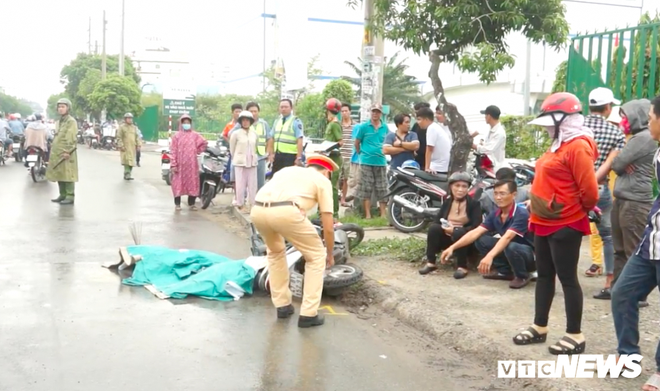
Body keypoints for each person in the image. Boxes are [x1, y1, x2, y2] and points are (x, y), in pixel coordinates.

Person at [513, 92, 599, 355]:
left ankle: (575, 334)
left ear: (565, 119)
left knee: (567, 278)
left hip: (565, 223)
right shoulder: (558, 144)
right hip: (542, 219)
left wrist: (571, 209)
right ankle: (540, 326)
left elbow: (591, 193)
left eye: (552, 121)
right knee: (545, 276)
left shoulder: (578, 146)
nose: (548, 127)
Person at [250, 154, 339, 328]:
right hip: (286, 212)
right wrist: (329, 253)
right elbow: (328, 227)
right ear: (327, 172)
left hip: (258, 210)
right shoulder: (323, 181)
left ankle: (282, 306)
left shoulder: (288, 170)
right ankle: (308, 314)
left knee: (275, 253)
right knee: (315, 256)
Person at [611, 94, 660, 391]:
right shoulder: (656, 152)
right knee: (622, 294)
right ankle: (628, 355)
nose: (649, 123)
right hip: (651, 243)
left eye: (652, 118)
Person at [441, 180, 536, 288]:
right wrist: (452, 248)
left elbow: (507, 237)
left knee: (511, 245)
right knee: (481, 240)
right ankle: (505, 271)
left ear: (513, 195)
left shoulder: (521, 213)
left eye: (502, 193)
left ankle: (522, 275)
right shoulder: (495, 214)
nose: (498, 197)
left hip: (529, 256)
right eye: (496, 193)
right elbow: (476, 232)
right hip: (509, 249)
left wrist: (489, 256)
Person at [608, 99, 655, 306]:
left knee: (632, 250)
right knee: (620, 250)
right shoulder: (636, 138)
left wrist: (620, 160)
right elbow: (619, 164)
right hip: (624, 199)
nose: (623, 121)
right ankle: (617, 291)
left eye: (626, 116)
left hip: (634, 202)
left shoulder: (643, 138)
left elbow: (617, 164)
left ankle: (636, 296)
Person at [579, 88, 621, 297]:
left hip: (574, 188)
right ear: (607, 108)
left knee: (569, 230)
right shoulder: (616, 132)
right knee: (607, 235)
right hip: (600, 189)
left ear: (589, 106)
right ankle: (610, 281)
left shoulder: (576, 127)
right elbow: (618, 160)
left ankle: (560, 276)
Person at [419, 172, 482, 278]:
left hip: (465, 240)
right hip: (447, 237)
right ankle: (431, 262)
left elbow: (476, 226)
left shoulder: (474, 204)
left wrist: (456, 230)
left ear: (468, 188)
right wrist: (445, 228)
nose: (460, 189)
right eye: (457, 186)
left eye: (464, 186)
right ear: (451, 187)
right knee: (434, 228)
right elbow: (437, 220)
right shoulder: (448, 202)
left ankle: (462, 266)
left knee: (459, 232)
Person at [354, 104, 389, 219]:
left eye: (377, 112)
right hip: (366, 161)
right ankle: (368, 214)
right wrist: (361, 154)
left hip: (381, 161)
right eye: (373, 111)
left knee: (382, 187)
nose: (375, 114)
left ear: (381, 114)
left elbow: (388, 142)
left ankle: (383, 213)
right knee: (366, 188)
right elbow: (357, 142)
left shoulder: (385, 127)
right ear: (370, 112)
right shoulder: (364, 126)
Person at [230, 102, 272, 190]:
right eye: (251, 111)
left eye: (255, 111)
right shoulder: (241, 124)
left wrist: (268, 153)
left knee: (260, 182)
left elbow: (269, 138)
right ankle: (241, 200)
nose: (253, 113)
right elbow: (230, 134)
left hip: (260, 157)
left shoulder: (264, 124)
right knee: (243, 182)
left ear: (258, 112)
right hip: (245, 158)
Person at [169, 115, 208, 211]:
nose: (186, 124)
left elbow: (204, 143)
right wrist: (173, 164)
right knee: (178, 184)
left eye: (188, 122)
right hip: (180, 165)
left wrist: (197, 151)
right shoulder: (176, 136)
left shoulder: (195, 135)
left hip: (192, 165)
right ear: (181, 124)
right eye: (184, 122)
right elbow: (173, 150)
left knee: (193, 184)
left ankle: (192, 203)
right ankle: (177, 204)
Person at [46, 98, 78, 205]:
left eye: (63, 107)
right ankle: (62, 194)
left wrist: (68, 151)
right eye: (59, 107)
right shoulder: (60, 121)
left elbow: (71, 137)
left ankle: (70, 196)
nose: (60, 109)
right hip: (58, 152)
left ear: (68, 108)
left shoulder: (71, 121)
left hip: (67, 152)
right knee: (60, 173)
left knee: (68, 174)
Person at [230, 111, 259, 212]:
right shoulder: (236, 134)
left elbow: (256, 146)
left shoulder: (254, 134)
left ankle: (252, 204)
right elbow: (232, 149)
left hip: (252, 162)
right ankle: (240, 203)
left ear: (250, 122)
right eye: (243, 120)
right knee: (240, 184)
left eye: (247, 120)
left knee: (252, 184)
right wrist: (237, 158)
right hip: (240, 162)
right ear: (240, 122)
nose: (245, 122)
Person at [271, 99, 304, 175]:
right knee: (276, 178)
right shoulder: (277, 121)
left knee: (288, 179)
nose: (283, 109)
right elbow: (272, 138)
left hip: (290, 156)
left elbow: (299, 140)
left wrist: (298, 157)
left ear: (291, 108)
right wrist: (271, 154)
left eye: (286, 107)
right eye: (281, 107)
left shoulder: (296, 121)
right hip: (278, 155)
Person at [324, 98, 344, 216]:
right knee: (325, 185)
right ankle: (324, 211)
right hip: (328, 158)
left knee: (332, 186)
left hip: (334, 158)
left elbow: (340, 142)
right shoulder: (331, 124)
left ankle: (334, 213)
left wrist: (327, 148)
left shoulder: (335, 124)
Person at [417, 107, 451, 174]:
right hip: (443, 166)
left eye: (419, 119)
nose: (417, 122)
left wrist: (427, 168)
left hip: (438, 167)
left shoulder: (431, 128)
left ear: (426, 119)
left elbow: (429, 149)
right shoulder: (436, 127)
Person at [474, 105, 506, 171]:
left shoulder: (499, 133)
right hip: (487, 166)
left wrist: (473, 146)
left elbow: (488, 150)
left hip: (496, 168)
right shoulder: (490, 129)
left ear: (488, 116)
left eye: (485, 115)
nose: (484, 117)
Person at [339, 103, 356, 206]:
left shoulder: (355, 125)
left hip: (350, 155)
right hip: (339, 155)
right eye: (342, 111)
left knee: (346, 179)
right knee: (337, 179)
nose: (344, 113)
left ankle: (343, 199)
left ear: (350, 112)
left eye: (346, 111)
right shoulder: (338, 125)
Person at [116, 113, 141, 181]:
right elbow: (119, 137)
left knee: (132, 162)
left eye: (131, 118)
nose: (130, 120)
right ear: (125, 119)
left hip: (132, 147)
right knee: (126, 161)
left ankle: (128, 173)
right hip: (125, 147)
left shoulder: (134, 127)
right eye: (128, 118)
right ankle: (127, 174)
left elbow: (137, 137)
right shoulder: (122, 127)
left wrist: (138, 145)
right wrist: (121, 145)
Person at [411, 102, 431, 169]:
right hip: (418, 157)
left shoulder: (433, 127)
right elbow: (411, 137)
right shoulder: (416, 125)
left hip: (429, 158)